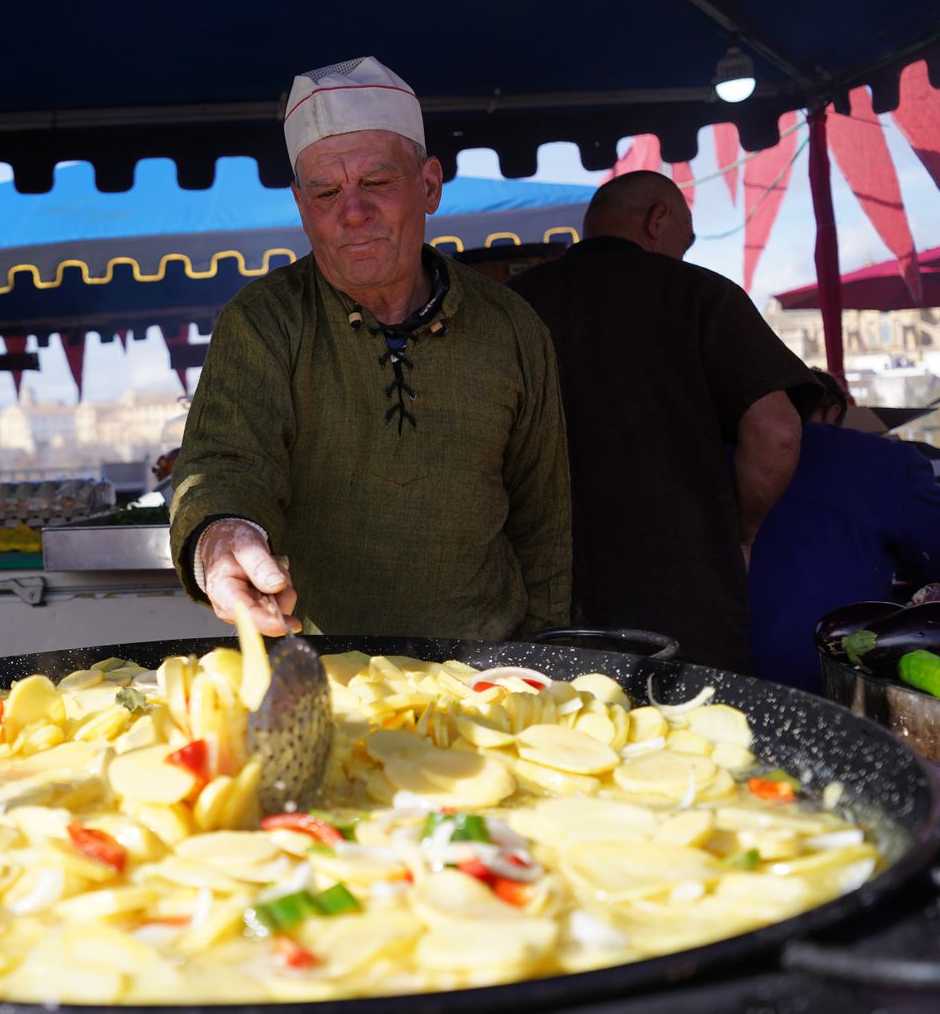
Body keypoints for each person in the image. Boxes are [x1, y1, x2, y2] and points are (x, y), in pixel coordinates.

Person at [169, 56, 571, 641]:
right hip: (323, 669)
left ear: (429, 185)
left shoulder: (510, 327)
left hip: (486, 668)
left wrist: (545, 657)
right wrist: (221, 535)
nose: (353, 214)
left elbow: (545, 522)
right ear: (301, 206)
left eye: (377, 183)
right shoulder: (264, 320)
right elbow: (223, 463)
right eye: (325, 192)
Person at [506, 170, 818, 674]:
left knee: (548, 723)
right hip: (683, 596)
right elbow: (777, 433)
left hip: (538, 598)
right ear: (658, 219)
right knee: (691, 725)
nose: (683, 254)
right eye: (685, 241)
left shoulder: (512, 304)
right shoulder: (700, 293)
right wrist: (741, 534)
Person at [748, 371, 940, 692]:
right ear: (834, 412)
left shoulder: (698, 456)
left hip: (701, 671)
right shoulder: (884, 461)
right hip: (829, 684)